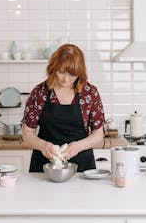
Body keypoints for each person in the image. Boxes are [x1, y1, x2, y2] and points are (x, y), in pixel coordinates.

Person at [22, 43, 105, 172]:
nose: (66, 80)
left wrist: (78, 146)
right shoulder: (39, 93)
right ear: (53, 67)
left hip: (82, 168)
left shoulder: (89, 93)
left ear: (80, 73)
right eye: (61, 72)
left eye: (72, 75)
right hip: (44, 168)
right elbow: (27, 134)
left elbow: (99, 135)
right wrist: (43, 146)